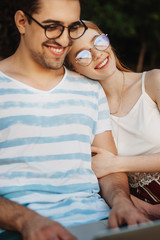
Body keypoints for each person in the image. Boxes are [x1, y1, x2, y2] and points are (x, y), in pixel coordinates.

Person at [0, 1, 152, 240]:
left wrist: (122, 203)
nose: (63, 40)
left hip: (101, 223)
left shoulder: (90, 89)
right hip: (21, 230)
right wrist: (25, 220)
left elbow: (107, 170)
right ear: (22, 22)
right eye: (53, 27)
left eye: (71, 27)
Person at [66, 20, 160, 207]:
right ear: (73, 69)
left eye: (98, 41)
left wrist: (116, 163)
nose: (97, 54)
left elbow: (108, 165)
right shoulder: (89, 113)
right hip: (138, 205)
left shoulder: (153, 81)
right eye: (83, 55)